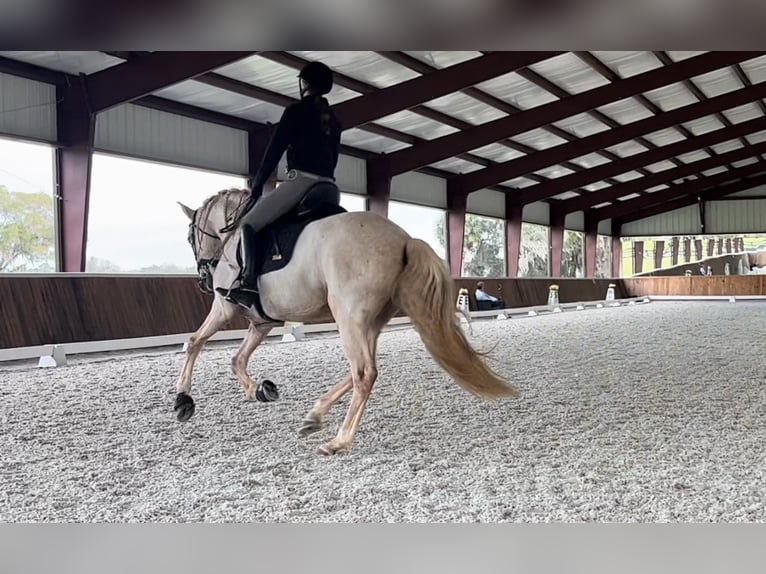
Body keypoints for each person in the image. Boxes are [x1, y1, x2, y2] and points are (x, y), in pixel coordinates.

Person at [216, 61, 342, 308]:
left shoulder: (296, 111)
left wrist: (257, 185)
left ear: (304, 84)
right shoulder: (335, 120)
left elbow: (273, 152)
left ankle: (248, 283)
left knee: (249, 223)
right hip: (330, 188)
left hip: (303, 182)